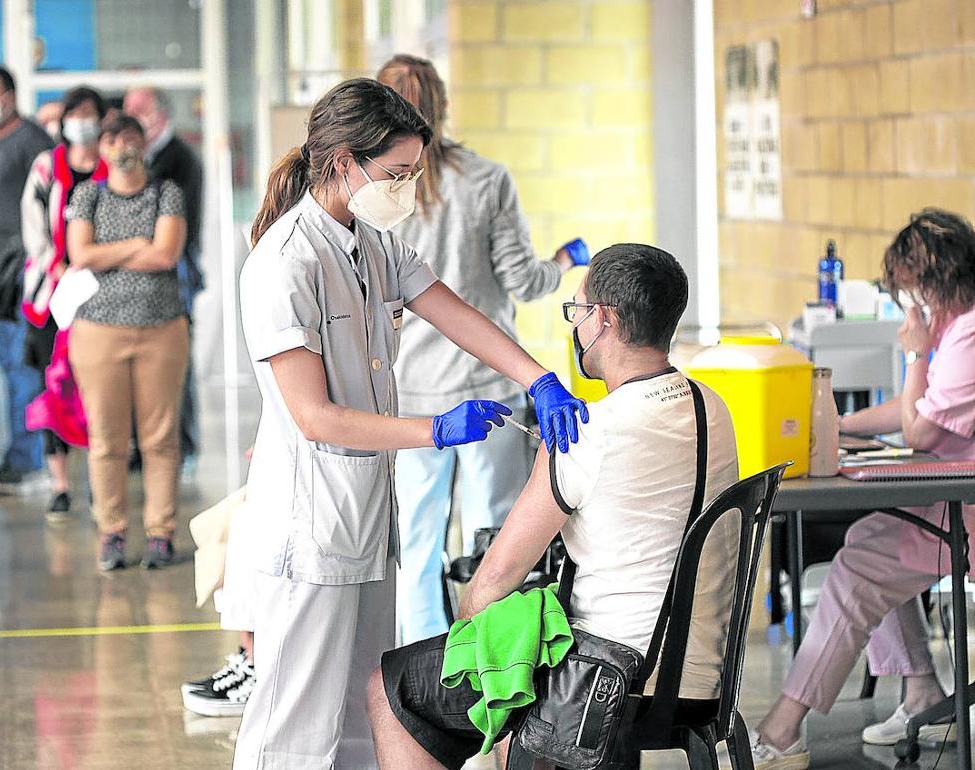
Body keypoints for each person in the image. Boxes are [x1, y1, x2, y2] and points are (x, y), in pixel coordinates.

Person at [232, 78, 588, 770]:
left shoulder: (372, 244)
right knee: (293, 730)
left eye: (411, 174)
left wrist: (536, 378)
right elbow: (314, 417)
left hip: (367, 526)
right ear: (342, 164)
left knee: (364, 711)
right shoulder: (284, 261)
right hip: (309, 529)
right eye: (394, 175)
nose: (403, 189)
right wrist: (434, 430)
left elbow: (453, 312)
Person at [365, 244, 741, 770]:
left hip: (603, 681)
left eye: (577, 311)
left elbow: (491, 583)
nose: (575, 325)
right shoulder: (713, 408)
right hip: (702, 674)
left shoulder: (589, 434)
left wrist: (483, 644)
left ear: (602, 320)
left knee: (393, 686)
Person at [748, 208, 975, 770]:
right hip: (954, 500)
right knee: (869, 540)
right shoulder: (959, 327)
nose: (906, 303)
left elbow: (919, 427)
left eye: (908, 290)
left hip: (966, 511)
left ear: (931, 281)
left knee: (858, 568)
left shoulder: (966, 335)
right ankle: (920, 687)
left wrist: (916, 351)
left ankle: (782, 730)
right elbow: (912, 410)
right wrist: (837, 424)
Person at [377, 54, 582, 645]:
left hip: (412, 391)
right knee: (498, 537)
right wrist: (567, 260)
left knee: (416, 538)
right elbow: (524, 282)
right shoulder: (488, 180)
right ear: (441, 102)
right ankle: (493, 656)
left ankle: (424, 666)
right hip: (487, 384)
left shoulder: (377, 192)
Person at [65, 113, 189, 571]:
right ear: (101, 148)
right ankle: (111, 532)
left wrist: (109, 254)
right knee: (106, 438)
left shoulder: (166, 192)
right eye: (112, 138)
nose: (122, 146)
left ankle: (160, 532)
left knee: (159, 438)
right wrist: (138, 243)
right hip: (98, 332)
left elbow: (166, 254)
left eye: (130, 136)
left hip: (162, 329)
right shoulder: (87, 196)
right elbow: (80, 256)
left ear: (144, 142)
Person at [21, 85, 108, 519]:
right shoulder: (46, 168)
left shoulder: (110, 168)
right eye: (75, 115)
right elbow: (33, 228)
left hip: (102, 298)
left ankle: (99, 482)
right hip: (52, 297)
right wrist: (55, 267)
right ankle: (59, 483)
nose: (81, 123)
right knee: (51, 387)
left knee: (98, 392)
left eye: (89, 115)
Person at [0, 64, 55, 494]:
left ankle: (32, 460)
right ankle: (15, 455)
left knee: (26, 365)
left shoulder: (33, 140)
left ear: (8, 96)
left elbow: (50, 202)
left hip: (23, 269)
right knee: (6, 364)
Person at [123, 86, 204, 474]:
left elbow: (173, 232)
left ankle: (183, 443)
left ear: (159, 115)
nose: (132, 120)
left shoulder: (181, 161)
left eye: (139, 111)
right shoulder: (142, 162)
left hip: (177, 278)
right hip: (143, 284)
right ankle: (145, 444)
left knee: (177, 365)